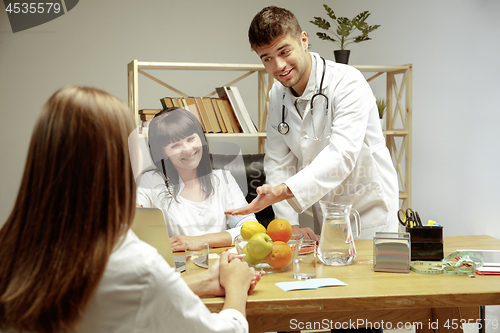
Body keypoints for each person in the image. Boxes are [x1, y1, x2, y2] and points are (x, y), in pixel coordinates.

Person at [0, 87, 260, 333]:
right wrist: (236, 286)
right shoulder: (134, 261)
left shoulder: (10, 246)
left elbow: (122, 292)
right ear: (117, 157)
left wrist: (202, 282)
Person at [226, 6, 399, 240]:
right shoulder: (277, 94)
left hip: (367, 207)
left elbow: (342, 154)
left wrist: (282, 191)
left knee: (368, 275)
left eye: (284, 51)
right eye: (267, 58)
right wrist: (290, 225)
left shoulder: (347, 82)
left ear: (303, 40)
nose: (278, 66)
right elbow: (278, 161)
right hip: (327, 209)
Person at [137, 107, 257, 252]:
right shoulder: (151, 181)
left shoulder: (223, 179)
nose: (187, 149)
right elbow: (132, 227)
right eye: (175, 145)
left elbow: (250, 229)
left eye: (191, 139)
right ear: (164, 152)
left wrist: (198, 241)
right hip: (178, 269)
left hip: (220, 264)